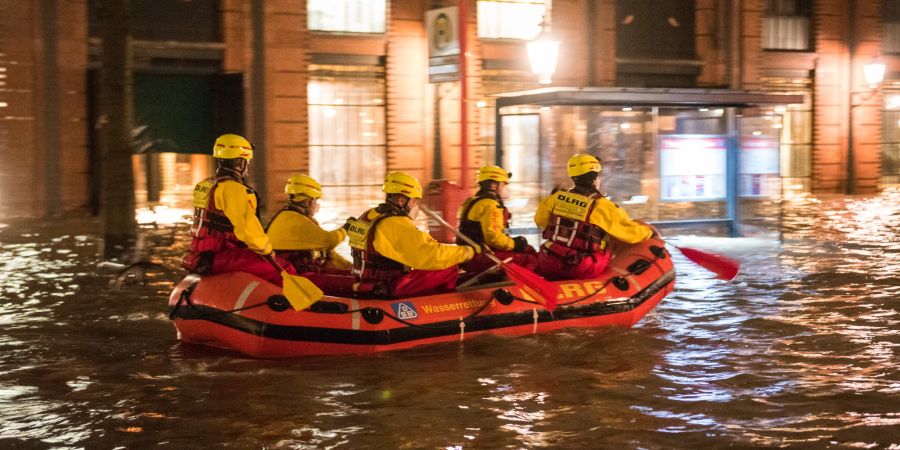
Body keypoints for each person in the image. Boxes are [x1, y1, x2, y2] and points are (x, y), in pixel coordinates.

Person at [181, 134, 295, 285]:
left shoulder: (205, 185)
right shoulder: (232, 189)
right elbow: (247, 226)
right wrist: (268, 251)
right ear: (240, 162)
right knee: (285, 268)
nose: (247, 167)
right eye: (246, 162)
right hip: (221, 255)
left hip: (201, 254)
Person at [347, 171, 477, 298]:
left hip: (366, 284)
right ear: (402, 201)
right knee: (448, 268)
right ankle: (444, 305)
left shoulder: (367, 216)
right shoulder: (396, 223)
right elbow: (431, 254)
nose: (415, 205)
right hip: (389, 287)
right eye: (414, 201)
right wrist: (466, 252)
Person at [534, 154, 654, 280]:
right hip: (580, 268)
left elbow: (540, 221)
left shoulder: (555, 198)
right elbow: (630, 233)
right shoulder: (601, 206)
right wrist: (649, 232)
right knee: (607, 247)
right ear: (594, 178)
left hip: (548, 261)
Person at [266, 173, 356, 295]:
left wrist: (351, 268)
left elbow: (328, 254)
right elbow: (329, 241)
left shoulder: (291, 217)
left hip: (304, 274)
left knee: (356, 276)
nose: (317, 205)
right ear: (308, 201)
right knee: (355, 283)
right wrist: (347, 228)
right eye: (316, 200)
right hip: (300, 277)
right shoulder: (296, 221)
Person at [457, 165, 538, 276]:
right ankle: (517, 289)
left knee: (528, 249)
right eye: (503, 184)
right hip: (479, 257)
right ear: (494, 186)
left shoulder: (472, 201)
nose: (505, 188)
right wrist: (514, 244)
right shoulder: (490, 205)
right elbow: (493, 238)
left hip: (470, 255)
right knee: (530, 259)